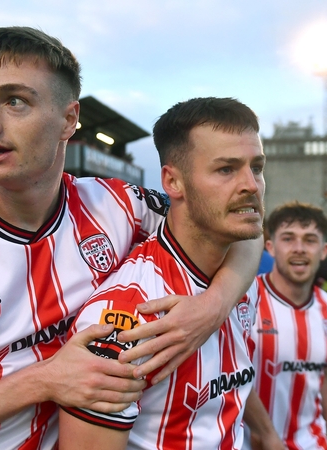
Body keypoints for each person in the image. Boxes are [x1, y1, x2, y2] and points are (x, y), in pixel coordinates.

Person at [0, 27, 261, 450]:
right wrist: (44, 380)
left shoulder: (116, 207)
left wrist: (211, 309)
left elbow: (234, 222)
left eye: (15, 101)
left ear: (68, 120)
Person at [58, 97, 281, 449]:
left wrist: (268, 436)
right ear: (173, 182)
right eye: (226, 169)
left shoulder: (236, 270)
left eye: (257, 167)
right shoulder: (126, 316)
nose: (251, 185)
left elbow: (227, 381)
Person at [248, 202, 327, 450]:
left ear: (324, 250)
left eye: (310, 240)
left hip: (312, 443)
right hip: (247, 443)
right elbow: (226, 376)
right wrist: (266, 435)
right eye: (288, 239)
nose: (299, 249)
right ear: (270, 248)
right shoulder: (244, 299)